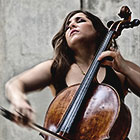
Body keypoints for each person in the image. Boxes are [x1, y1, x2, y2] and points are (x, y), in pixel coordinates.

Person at [5, 10, 140, 139]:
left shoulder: (118, 69)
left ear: (98, 31)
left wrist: (126, 69)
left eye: (80, 20)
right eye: (67, 26)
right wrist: (20, 101)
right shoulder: (56, 68)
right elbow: (14, 84)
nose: (72, 25)